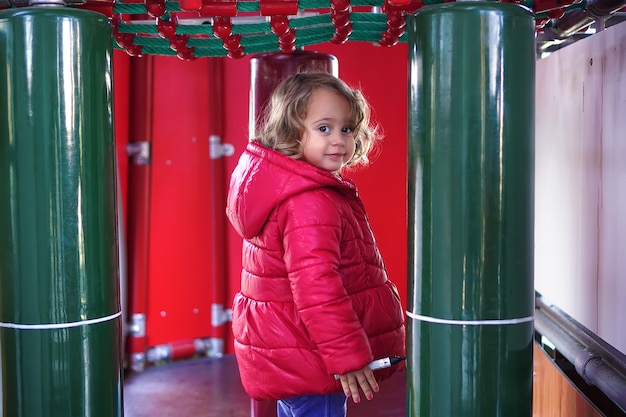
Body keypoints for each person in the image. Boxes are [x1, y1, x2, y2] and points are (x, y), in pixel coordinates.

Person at [226, 72, 406, 417]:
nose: (339, 139)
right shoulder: (309, 201)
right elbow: (317, 287)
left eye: (347, 128)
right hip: (315, 358)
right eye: (324, 128)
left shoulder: (282, 186)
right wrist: (348, 358)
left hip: (295, 350)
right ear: (292, 134)